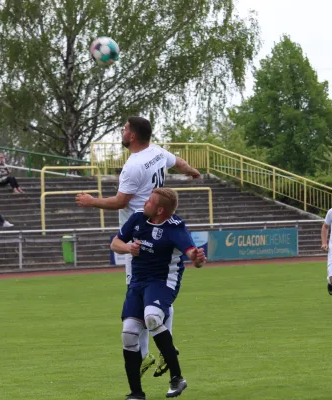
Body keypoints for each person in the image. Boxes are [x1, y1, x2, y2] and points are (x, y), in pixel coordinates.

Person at [75, 116, 201, 377]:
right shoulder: (157, 152)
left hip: (141, 235)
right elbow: (178, 162)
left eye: (124, 129)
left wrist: (91, 201)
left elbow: (121, 202)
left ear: (132, 136)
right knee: (159, 288)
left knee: (140, 293)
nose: (122, 132)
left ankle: (149, 356)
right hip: (160, 228)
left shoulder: (132, 166)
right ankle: (167, 350)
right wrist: (191, 172)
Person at [111, 188, 206, 399]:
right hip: (137, 283)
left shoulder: (175, 228)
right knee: (128, 334)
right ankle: (136, 393)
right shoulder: (137, 219)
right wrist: (128, 249)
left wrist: (197, 259)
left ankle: (177, 378)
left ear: (160, 209)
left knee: (152, 317)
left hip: (163, 282)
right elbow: (115, 243)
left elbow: (191, 253)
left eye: (150, 201)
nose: (145, 203)